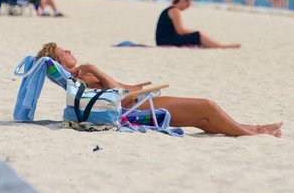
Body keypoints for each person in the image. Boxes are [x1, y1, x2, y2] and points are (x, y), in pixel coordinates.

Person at [36, 42, 281, 137]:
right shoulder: (83, 76)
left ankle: (257, 128)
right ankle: (254, 134)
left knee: (205, 121)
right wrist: (95, 68)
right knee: (207, 107)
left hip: (140, 101)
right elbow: (116, 95)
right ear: (59, 63)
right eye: (63, 53)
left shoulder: (80, 76)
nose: (69, 50)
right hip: (137, 107)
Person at [156, 0, 239, 48]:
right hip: (166, 41)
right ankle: (221, 46)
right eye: (188, 4)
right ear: (182, 0)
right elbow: (180, 31)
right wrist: (195, 31)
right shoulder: (174, 10)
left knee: (197, 34)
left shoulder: (170, 9)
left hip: (164, 40)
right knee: (198, 34)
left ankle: (218, 45)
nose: (187, 7)